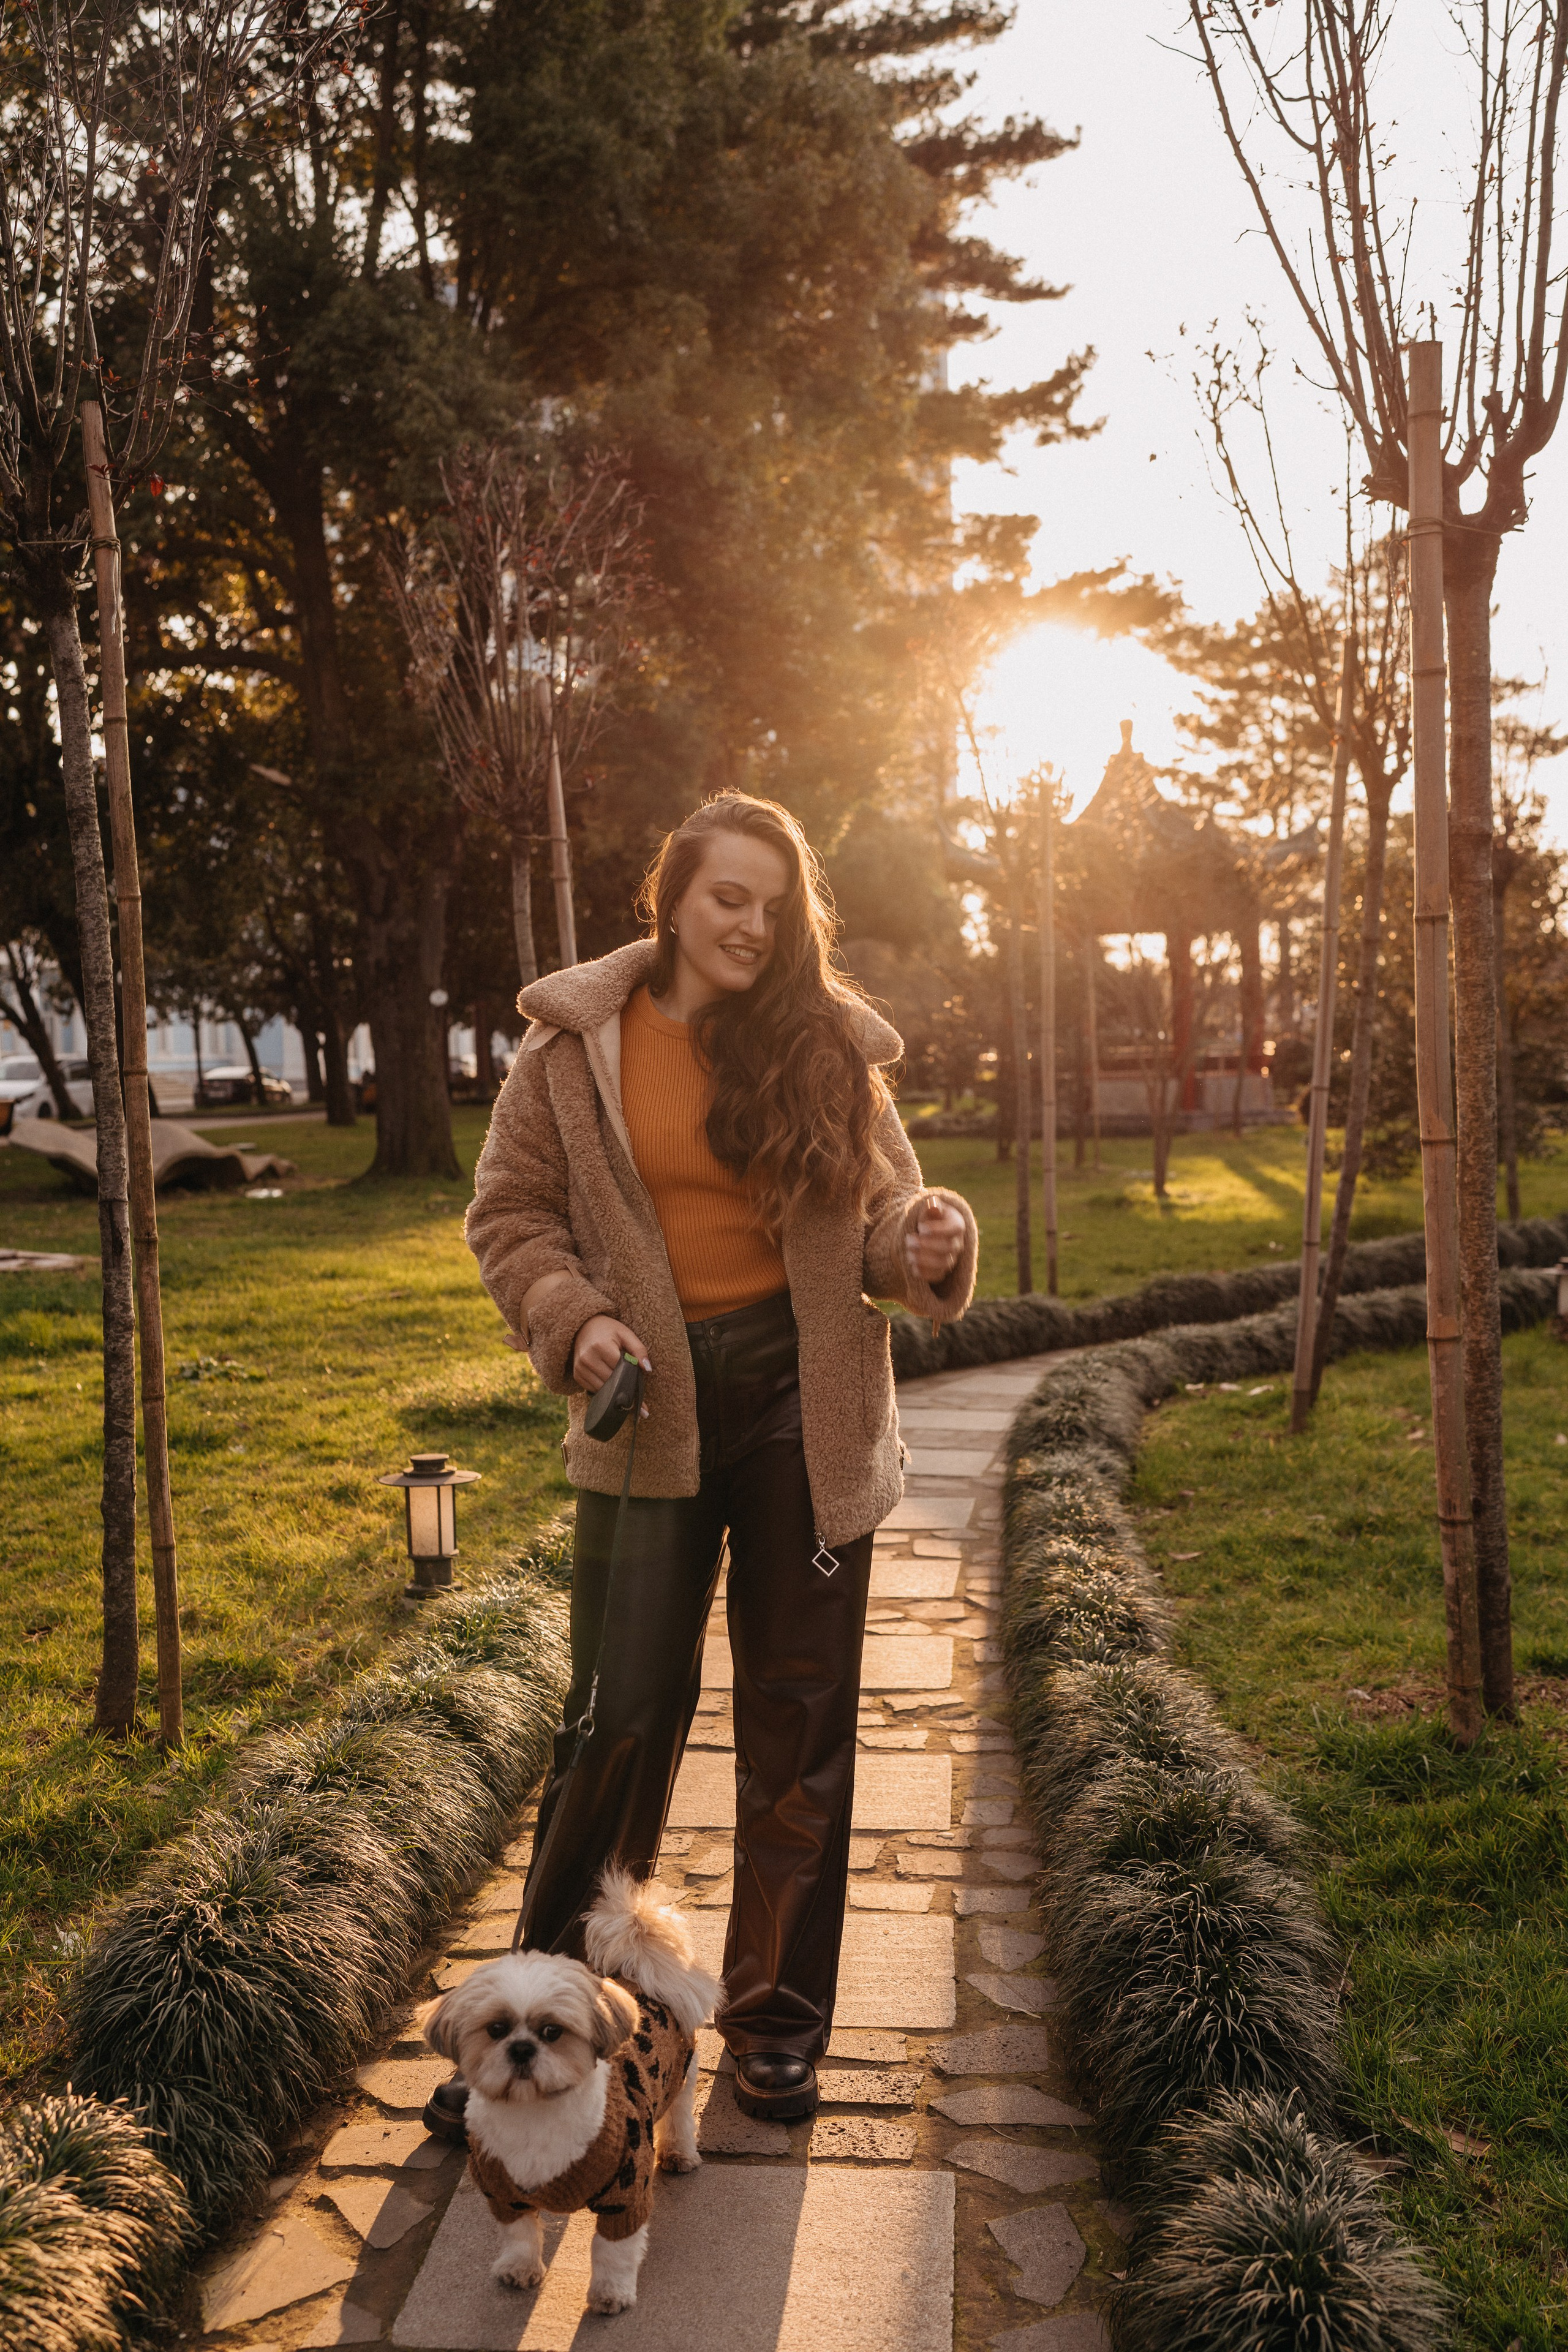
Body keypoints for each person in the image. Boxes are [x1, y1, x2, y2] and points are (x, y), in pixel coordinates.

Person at [431, 791, 976, 2137]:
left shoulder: (823, 1045)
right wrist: (575, 1318)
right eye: (730, 896)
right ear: (670, 896)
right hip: (645, 1411)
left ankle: (776, 2026)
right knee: (618, 1716)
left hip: (804, 1402)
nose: (753, 924)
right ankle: (530, 2024)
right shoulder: (573, 1047)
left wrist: (920, 1238)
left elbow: (875, 1219)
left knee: (798, 1725)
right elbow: (509, 1217)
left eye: (776, 904)